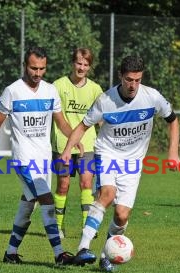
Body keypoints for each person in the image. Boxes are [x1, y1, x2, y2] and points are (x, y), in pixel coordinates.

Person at [61, 55, 180, 272]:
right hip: (108, 154)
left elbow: (172, 120)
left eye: (137, 80)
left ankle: (107, 254)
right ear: (120, 77)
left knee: (122, 215)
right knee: (106, 194)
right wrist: (68, 150)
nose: (133, 85)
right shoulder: (105, 101)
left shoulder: (152, 97)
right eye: (128, 80)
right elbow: (82, 126)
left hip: (133, 162)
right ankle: (83, 248)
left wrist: (173, 152)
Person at [0, 46, 80, 266]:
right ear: (25, 65)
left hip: (43, 160)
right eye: (33, 68)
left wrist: (75, 141)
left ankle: (10, 253)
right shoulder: (12, 91)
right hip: (23, 159)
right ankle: (59, 254)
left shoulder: (50, 91)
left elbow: (60, 122)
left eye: (42, 69)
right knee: (47, 200)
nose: (38, 73)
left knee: (28, 204)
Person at [52, 48, 103, 239]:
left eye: (86, 64)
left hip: (88, 144)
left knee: (86, 183)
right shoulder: (58, 85)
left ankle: (87, 228)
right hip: (62, 144)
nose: (81, 67)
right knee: (63, 185)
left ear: (90, 67)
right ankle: (58, 227)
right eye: (79, 63)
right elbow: (56, 117)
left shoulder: (95, 89)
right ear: (73, 63)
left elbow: (101, 117)